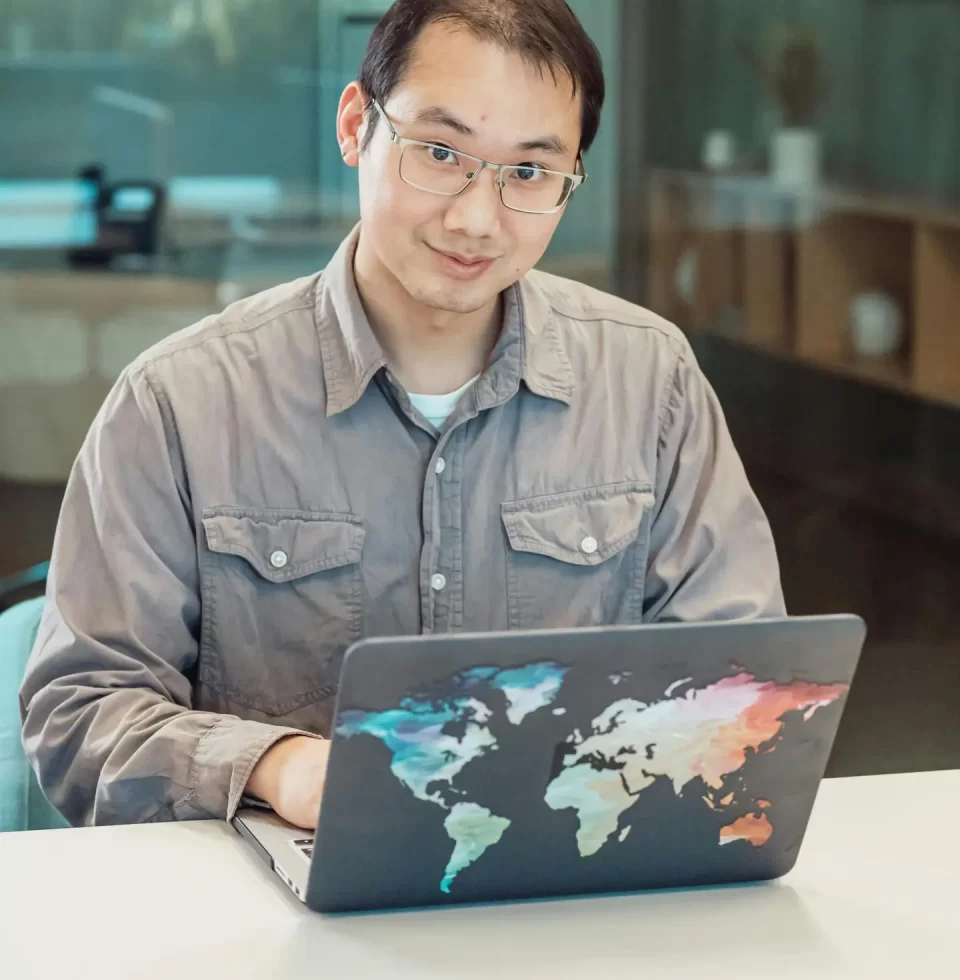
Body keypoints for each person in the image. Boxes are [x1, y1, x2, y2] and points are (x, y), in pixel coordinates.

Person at [21, 0, 784, 832]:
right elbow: (82, 710)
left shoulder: (650, 381)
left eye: (529, 172)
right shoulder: (180, 402)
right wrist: (279, 767)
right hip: (277, 884)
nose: (476, 219)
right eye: (440, 152)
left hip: (575, 869)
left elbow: (741, 680)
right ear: (357, 126)